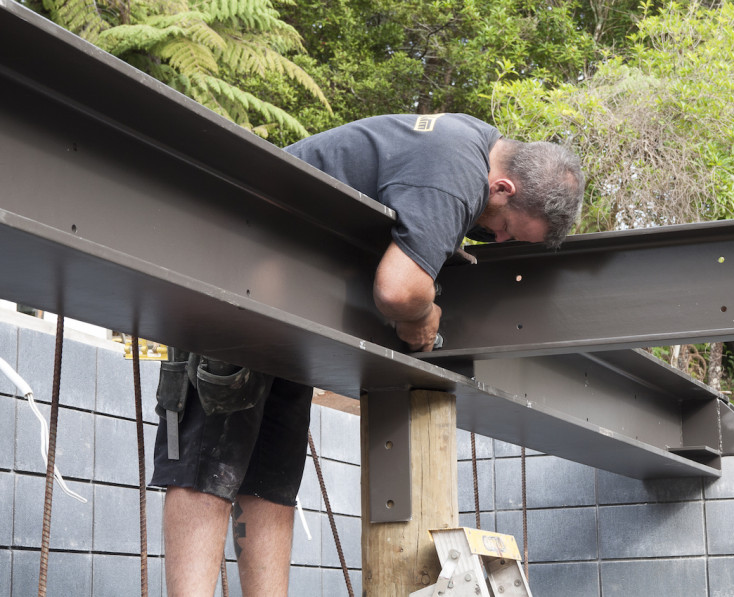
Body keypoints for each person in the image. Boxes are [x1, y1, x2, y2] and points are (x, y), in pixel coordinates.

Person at [150, 113, 585, 596]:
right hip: (233, 282)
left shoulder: (463, 148)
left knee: (270, 480)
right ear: (502, 187)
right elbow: (399, 291)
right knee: (208, 462)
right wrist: (420, 314)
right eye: (505, 228)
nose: (496, 240)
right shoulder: (456, 169)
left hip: (291, 313)